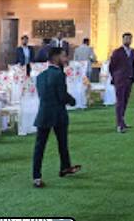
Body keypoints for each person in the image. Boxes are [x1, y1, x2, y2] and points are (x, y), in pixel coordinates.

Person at [32, 47, 81, 187]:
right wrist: (72, 101)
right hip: (58, 114)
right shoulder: (59, 74)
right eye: (64, 56)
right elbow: (62, 96)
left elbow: (43, 95)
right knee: (62, 143)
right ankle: (64, 168)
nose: (66, 59)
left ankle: (37, 177)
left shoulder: (40, 76)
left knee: (39, 147)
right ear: (55, 58)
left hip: (44, 113)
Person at [109, 32, 134, 133]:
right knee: (120, 101)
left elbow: (133, 65)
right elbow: (112, 66)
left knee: (125, 101)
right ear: (122, 40)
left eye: (129, 39)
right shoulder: (117, 52)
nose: (128, 40)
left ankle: (122, 120)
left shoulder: (133, 52)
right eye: (126, 39)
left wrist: (133, 77)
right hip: (120, 80)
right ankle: (119, 124)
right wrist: (116, 76)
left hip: (129, 79)